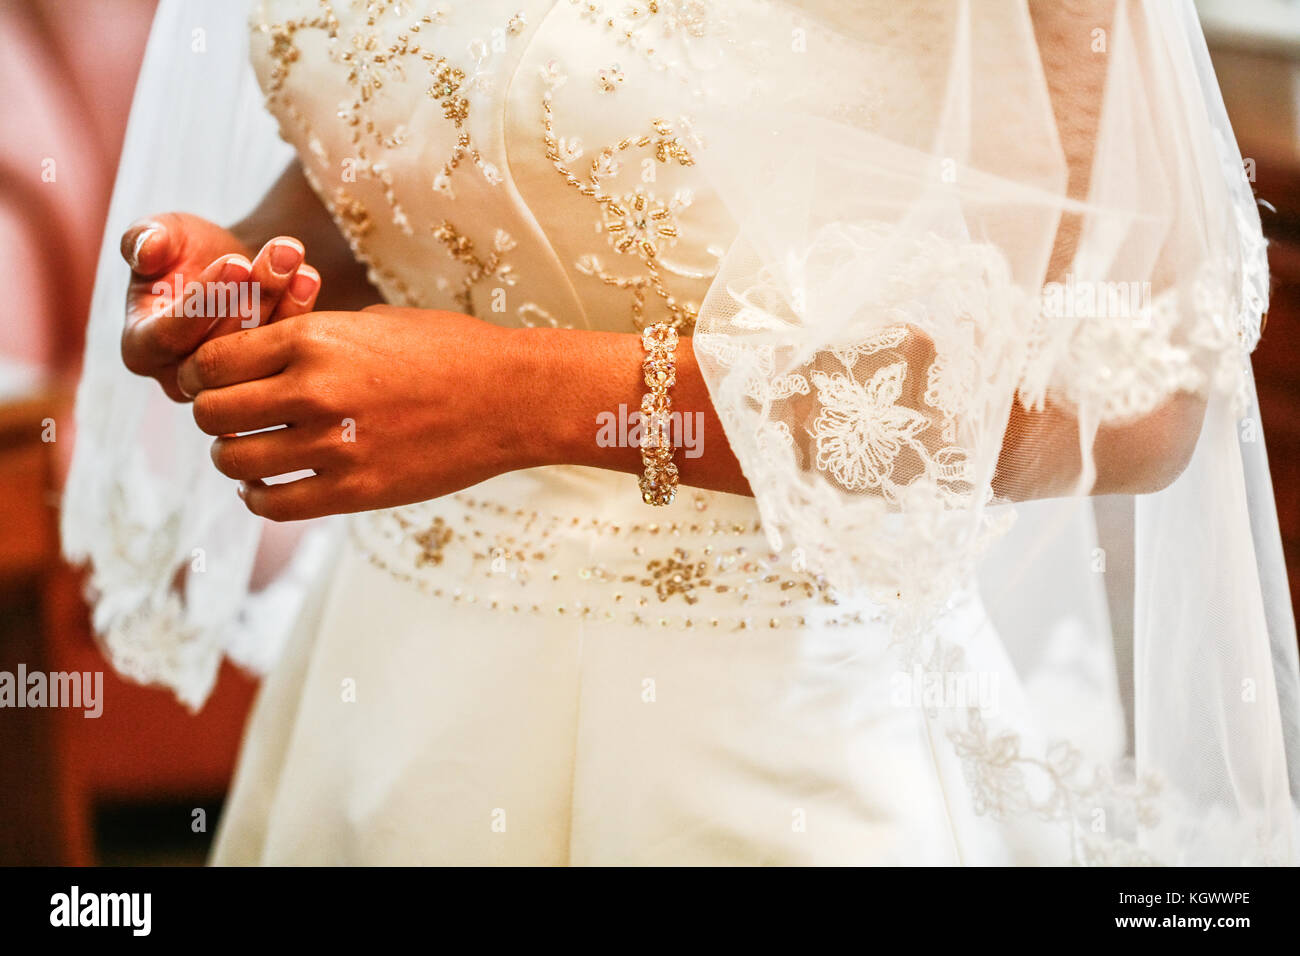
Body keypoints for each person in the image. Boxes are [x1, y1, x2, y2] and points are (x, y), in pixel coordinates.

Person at [64, 0, 1300, 864]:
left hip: (765, 729)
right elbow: (438, 160)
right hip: (392, 699)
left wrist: (516, 401)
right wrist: (245, 281)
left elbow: (1118, 397)